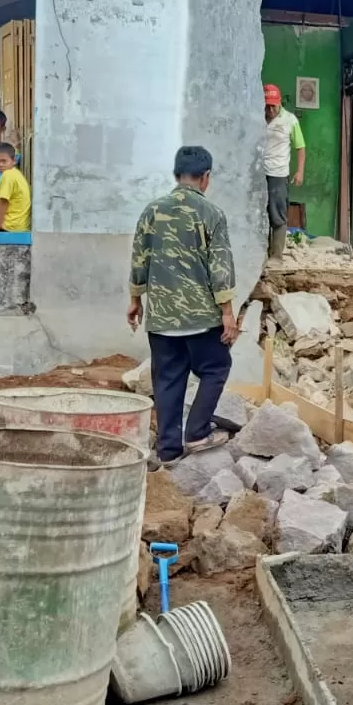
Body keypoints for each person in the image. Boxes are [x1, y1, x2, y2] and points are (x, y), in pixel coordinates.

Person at [128, 145, 239, 462]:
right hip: (201, 317)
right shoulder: (212, 214)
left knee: (167, 379)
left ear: (176, 175)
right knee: (217, 367)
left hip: (162, 319)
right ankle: (198, 432)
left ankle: (168, 450)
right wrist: (227, 313)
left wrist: (135, 299)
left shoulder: (152, 210)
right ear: (206, 178)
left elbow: (140, 259)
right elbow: (220, 267)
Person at [261, 84, 306, 262]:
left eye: (273, 105)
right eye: (267, 105)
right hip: (258, 174)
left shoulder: (290, 120)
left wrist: (299, 171)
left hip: (278, 174)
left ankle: (277, 254)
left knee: (277, 213)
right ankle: (261, 254)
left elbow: (301, 147)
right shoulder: (257, 118)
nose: (270, 109)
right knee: (259, 214)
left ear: (279, 103)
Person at [0, 144, 31, 236]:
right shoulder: (15, 173)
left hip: (10, 226)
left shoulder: (7, 175)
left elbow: (3, 201)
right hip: (20, 225)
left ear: (14, 161)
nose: (0, 164)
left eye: (4, 161)